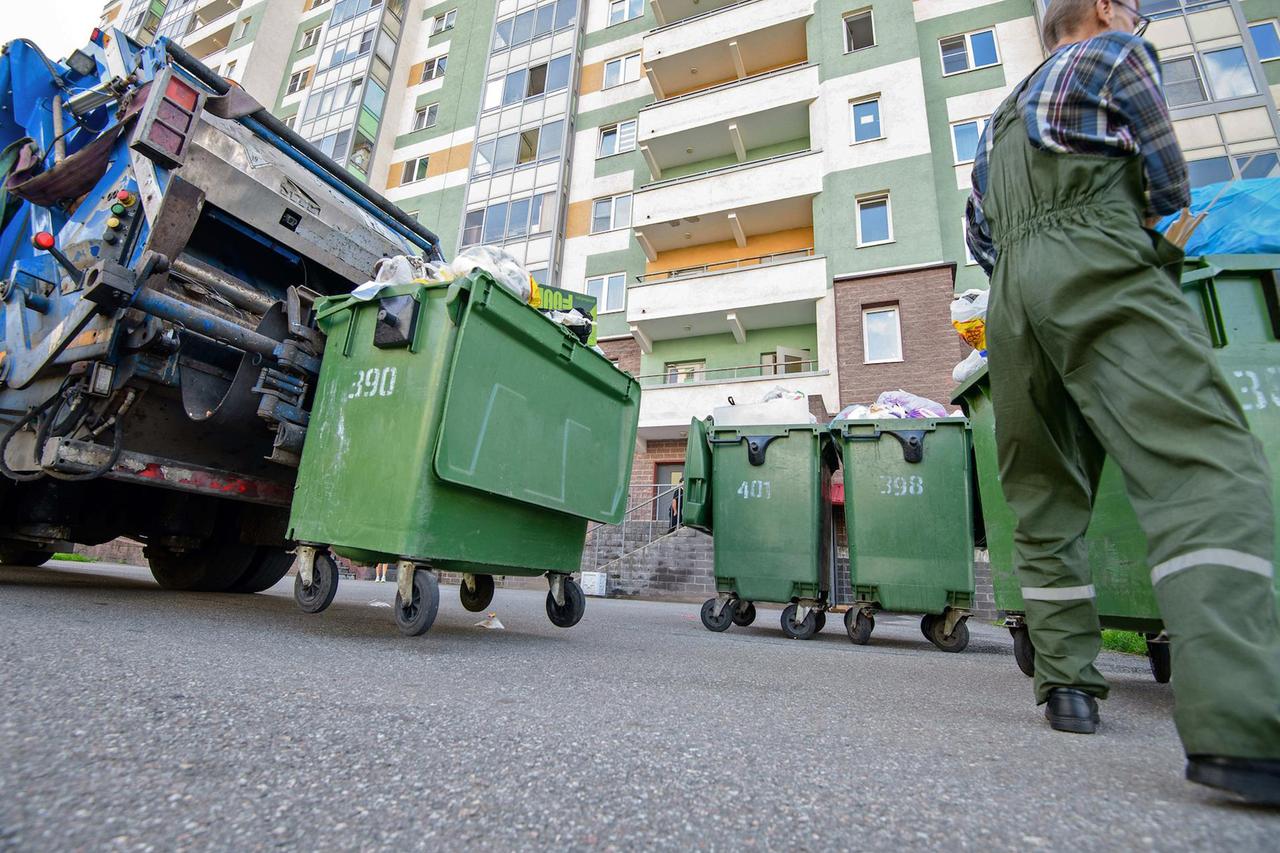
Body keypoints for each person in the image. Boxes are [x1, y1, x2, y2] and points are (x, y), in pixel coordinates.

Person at [965, 0, 1280, 803]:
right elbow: (1168, 179)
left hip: (1011, 302)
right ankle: (1247, 725)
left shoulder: (998, 118)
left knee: (1043, 493)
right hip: (1098, 260)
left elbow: (981, 233)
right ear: (1105, 8)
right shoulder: (1116, 56)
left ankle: (1067, 686)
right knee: (1199, 462)